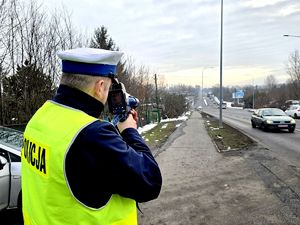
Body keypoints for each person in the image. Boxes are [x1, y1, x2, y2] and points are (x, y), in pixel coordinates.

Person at [21, 48, 162, 225]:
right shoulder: (91, 135)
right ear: (100, 86)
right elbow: (150, 182)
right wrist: (129, 131)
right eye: (110, 87)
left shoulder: (41, 117)